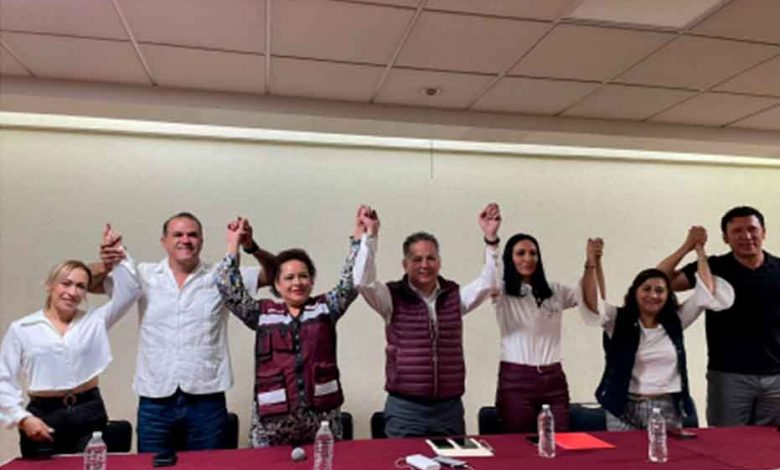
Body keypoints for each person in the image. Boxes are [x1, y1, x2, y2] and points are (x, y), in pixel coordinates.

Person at [96, 212, 275, 453]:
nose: (185, 240)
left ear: (201, 241)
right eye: (178, 234)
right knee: (153, 467)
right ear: (164, 242)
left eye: (192, 235)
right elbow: (88, 282)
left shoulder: (221, 275)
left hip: (206, 400)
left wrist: (250, 246)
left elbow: (275, 274)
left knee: (208, 468)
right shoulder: (143, 275)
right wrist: (106, 264)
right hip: (155, 400)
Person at [215, 211, 362, 447]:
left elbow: (351, 281)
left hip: (322, 423)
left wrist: (359, 237)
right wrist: (234, 244)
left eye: (303, 276)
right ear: (276, 283)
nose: (297, 283)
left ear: (312, 281)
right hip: (271, 427)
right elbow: (228, 288)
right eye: (289, 277)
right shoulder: (262, 314)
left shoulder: (326, 308)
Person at [353, 203, 501, 437]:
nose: (424, 265)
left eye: (431, 258)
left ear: (439, 262)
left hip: (449, 409)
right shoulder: (391, 297)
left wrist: (491, 239)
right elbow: (363, 281)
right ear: (405, 264)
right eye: (417, 259)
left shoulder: (454, 296)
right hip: (406, 410)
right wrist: (370, 236)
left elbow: (489, 283)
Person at [0, 227, 141, 458]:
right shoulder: (22, 328)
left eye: (80, 286)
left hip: (89, 411)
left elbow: (130, 291)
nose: (72, 292)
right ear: (50, 285)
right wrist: (22, 418)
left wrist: (117, 254)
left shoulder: (94, 321)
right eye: (65, 283)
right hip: (44, 415)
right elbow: (3, 380)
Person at [581, 235, 734, 430]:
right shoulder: (618, 320)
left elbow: (705, 292)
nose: (653, 295)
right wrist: (592, 262)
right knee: (623, 451)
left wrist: (699, 250)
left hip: (666, 407)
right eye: (646, 289)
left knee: (664, 451)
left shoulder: (676, 321)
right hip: (622, 406)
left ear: (668, 295)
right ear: (635, 292)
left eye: (660, 290)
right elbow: (595, 303)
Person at [657, 207, 780, 426]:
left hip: (776, 377)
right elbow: (659, 280)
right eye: (737, 231)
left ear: (764, 232)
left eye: (752, 229)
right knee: (726, 441)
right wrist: (688, 247)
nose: (746, 236)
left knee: (771, 444)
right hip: (728, 376)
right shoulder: (712, 267)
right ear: (725, 237)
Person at [492, 232, 594, 433]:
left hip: (553, 378)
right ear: (509, 259)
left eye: (533, 253)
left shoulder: (555, 291)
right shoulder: (502, 292)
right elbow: (488, 277)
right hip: (516, 380)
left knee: (560, 439)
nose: (528, 258)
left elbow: (589, 299)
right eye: (520, 253)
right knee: (519, 443)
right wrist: (491, 240)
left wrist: (591, 264)